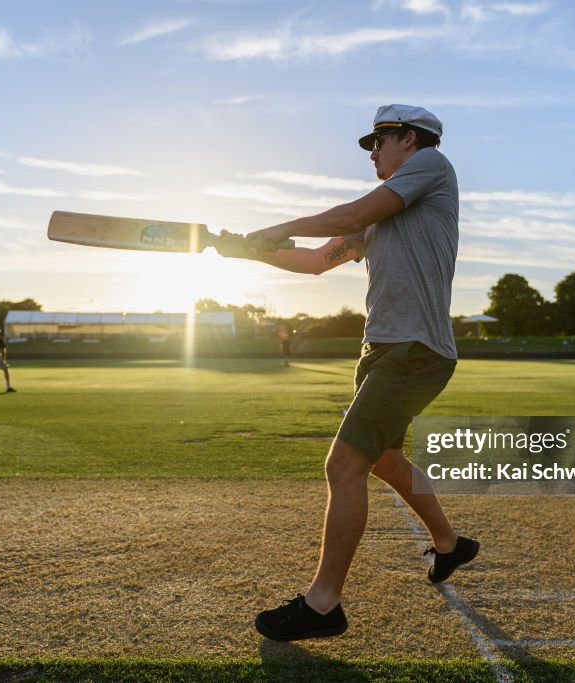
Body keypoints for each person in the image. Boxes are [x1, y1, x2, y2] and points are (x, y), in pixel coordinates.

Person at [218, 104, 478, 641]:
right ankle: (451, 546)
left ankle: (323, 605)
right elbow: (318, 261)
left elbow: (346, 216)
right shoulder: (383, 216)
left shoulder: (432, 165)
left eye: (377, 143)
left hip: (415, 349)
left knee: (343, 466)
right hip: (383, 351)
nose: (372, 154)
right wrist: (247, 252)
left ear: (408, 138)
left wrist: (278, 228)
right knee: (383, 459)